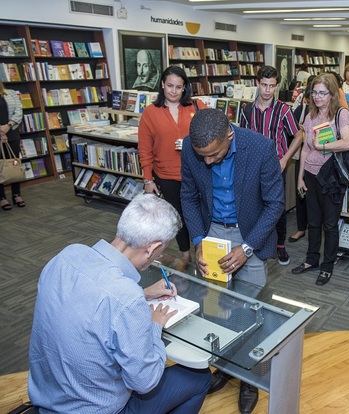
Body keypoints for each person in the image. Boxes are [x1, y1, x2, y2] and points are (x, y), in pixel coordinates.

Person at [28, 193, 212, 413]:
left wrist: (142, 294)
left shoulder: (66, 256)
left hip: (49, 400)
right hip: (97, 408)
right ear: (152, 249)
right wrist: (155, 326)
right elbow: (145, 382)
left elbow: (87, 301)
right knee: (199, 377)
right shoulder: (126, 297)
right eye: (161, 251)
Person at [181, 108, 283, 414]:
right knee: (216, 307)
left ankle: (248, 378)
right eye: (203, 156)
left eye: (214, 154)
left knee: (251, 312)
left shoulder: (261, 147)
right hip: (211, 231)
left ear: (229, 135)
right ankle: (225, 367)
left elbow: (275, 203)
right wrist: (198, 240)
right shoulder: (190, 147)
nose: (208, 161)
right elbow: (188, 195)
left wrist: (248, 247)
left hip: (249, 232)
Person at [139, 65, 205, 271]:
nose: (174, 91)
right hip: (166, 176)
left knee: (199, 214)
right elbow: (145, 148)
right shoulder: (150, 113)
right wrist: (148, 179)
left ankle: (202, 251)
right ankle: (185, 254)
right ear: (162, 85)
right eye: (170, 86)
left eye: (179, 86)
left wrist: (189, 142)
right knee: (177, 219)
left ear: (185, 87)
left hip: (196, 173)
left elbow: (210, 136)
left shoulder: (197, 107)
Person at [292, 73, 349, 286]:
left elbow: (347, 143)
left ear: (332, 94)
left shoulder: (341, 115)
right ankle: (311, 260)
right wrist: (300, 178)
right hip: (310, 175)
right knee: (313, 222)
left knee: (330, 224)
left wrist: (324, 146)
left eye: (322, 93)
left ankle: (327, 266)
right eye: (314, 92)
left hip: (332, 178)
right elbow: (305, 150)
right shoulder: (309, 116)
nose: (317, 97)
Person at [239, 65, 302, 266]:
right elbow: (242, 137)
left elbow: (299, 135)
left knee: (276, 207)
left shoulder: (284, 110)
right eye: (264, 85)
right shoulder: (247, 109)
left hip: (277, 166)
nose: (267, 90)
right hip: (252, 166)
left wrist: (285, 159)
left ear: (276, 86)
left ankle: (280, 245)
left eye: (272, 86)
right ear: (257, 83)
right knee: (254, 205)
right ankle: (256, 242)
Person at [289, 75, 316, 243]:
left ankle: (314, 229)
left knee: (316, 196)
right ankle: (301, 227)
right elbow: (292, 129)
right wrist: (299, 131)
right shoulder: (303, 109)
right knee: (301, 194)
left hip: (321, 159)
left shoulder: (329, 112)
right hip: (303, 156)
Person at [0, 81, 24, 210]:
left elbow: (19, 110)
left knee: (15, 163)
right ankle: (2, 197)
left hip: (12, 133)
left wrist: (8, 126)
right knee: (0, 165)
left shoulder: (11, 93)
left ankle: (16, 194)